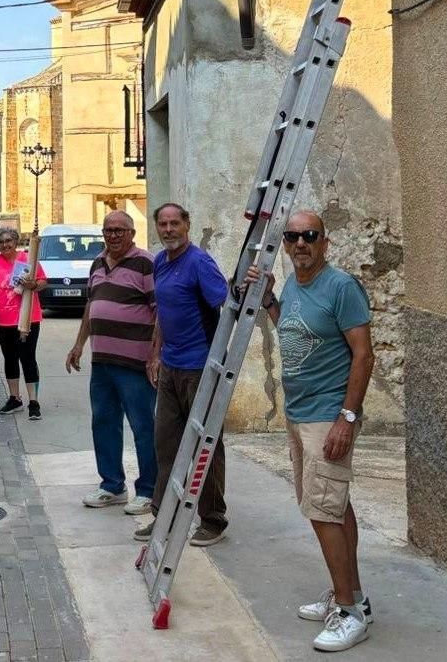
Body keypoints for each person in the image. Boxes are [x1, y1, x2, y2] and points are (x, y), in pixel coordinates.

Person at [248, 211, 375, 653]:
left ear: (325, 242)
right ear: (285, 244)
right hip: (301, 414)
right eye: (293, 237)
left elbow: (363, 356)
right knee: (334, 505)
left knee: (323, 511)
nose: (300, 243)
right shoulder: (295, 286)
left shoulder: (341, 287)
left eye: (309, 236)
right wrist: (268, 301)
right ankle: (352, 595)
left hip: (328, 415)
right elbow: (294, 328)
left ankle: (348, 611)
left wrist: (348, 417)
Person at [134, 202, 230, 547]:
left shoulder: (199, 262)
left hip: (200, 367)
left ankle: (213, 520)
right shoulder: (160, 262)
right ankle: (165, 515)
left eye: (176, 223)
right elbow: (164, 311)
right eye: (164, 224)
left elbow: (225, 302)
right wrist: (156, 352)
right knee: (167, 443)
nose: (169, 229)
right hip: (171, 366)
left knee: (207, 445)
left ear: (187, 225)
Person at [65, 211, 156, 514]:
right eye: (108, 230)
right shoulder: (97, 262)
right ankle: (112, 485)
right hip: (102, 361)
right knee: (103, 422)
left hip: (135, 362)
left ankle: (148, 490)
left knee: (144, 425)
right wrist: (79, 344)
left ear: (132, 233)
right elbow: (92, 305)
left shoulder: (145, 263)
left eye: (120, 230)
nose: (114, 235)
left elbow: (159, 312)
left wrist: (155, 355)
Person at [0, 227, 47, 419]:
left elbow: (43, 281)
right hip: (3, 320)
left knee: (28, 358)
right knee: (9, 358)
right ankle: (14, 398)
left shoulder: (28, 258)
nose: (5, 245)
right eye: (1, 242)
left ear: (15, 241)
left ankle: (33, 402)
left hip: (27, 317)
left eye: (8, 241)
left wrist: (33, 285)